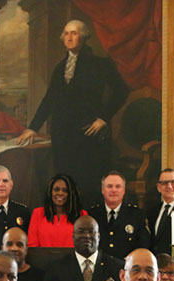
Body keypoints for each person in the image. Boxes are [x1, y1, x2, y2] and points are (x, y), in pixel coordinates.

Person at [15, 20, 129, 203]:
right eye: (66, 33)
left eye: (74, 33)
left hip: (89, 135)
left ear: (83, 37)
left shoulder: (100, 64)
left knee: (89, 186)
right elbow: (49, 100)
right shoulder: (60, 67)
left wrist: (103, 118)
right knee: (67, 187)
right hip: (63, 137)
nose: (69, 37)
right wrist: (33, 128)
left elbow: (122, 91)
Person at [88, 172, 151, 259]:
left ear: (124, 190)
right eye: (109, 186)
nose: (113, 190)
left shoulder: (136, 215)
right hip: (99, 268)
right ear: (102, 190)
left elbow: (143, 246)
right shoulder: (92, 215)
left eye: (118, 186)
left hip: (126, 268)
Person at [27, 173, 87, 247]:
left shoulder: (82, 215)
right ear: (50, 192)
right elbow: (32, 247)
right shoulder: (38, 214)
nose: (60, 193)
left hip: (72, 258)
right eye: (56, 189)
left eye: (65, 190)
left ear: (71, 193)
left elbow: (84, 246)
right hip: (43, 258)